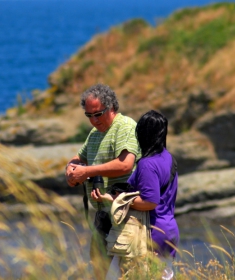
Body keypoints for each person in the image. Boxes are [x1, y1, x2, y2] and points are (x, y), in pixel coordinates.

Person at [65, 83, 140, 280]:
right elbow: (79, 157)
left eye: (98, 114)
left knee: (124, 273)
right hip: (102, 216)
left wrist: (87, 171)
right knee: (99, 269)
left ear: (112, 107)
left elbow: (125, 164)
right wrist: (71, 168)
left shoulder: (125, 126)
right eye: (89, 115)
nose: (94, 120)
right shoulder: (95, 132)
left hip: (124, 215)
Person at [95, 110, 179, 279]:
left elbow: (150, 201)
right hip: (168, 231)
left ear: (141, 133)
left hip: (147, 233)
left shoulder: (147, 164)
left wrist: (114, 199)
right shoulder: (168, 158)